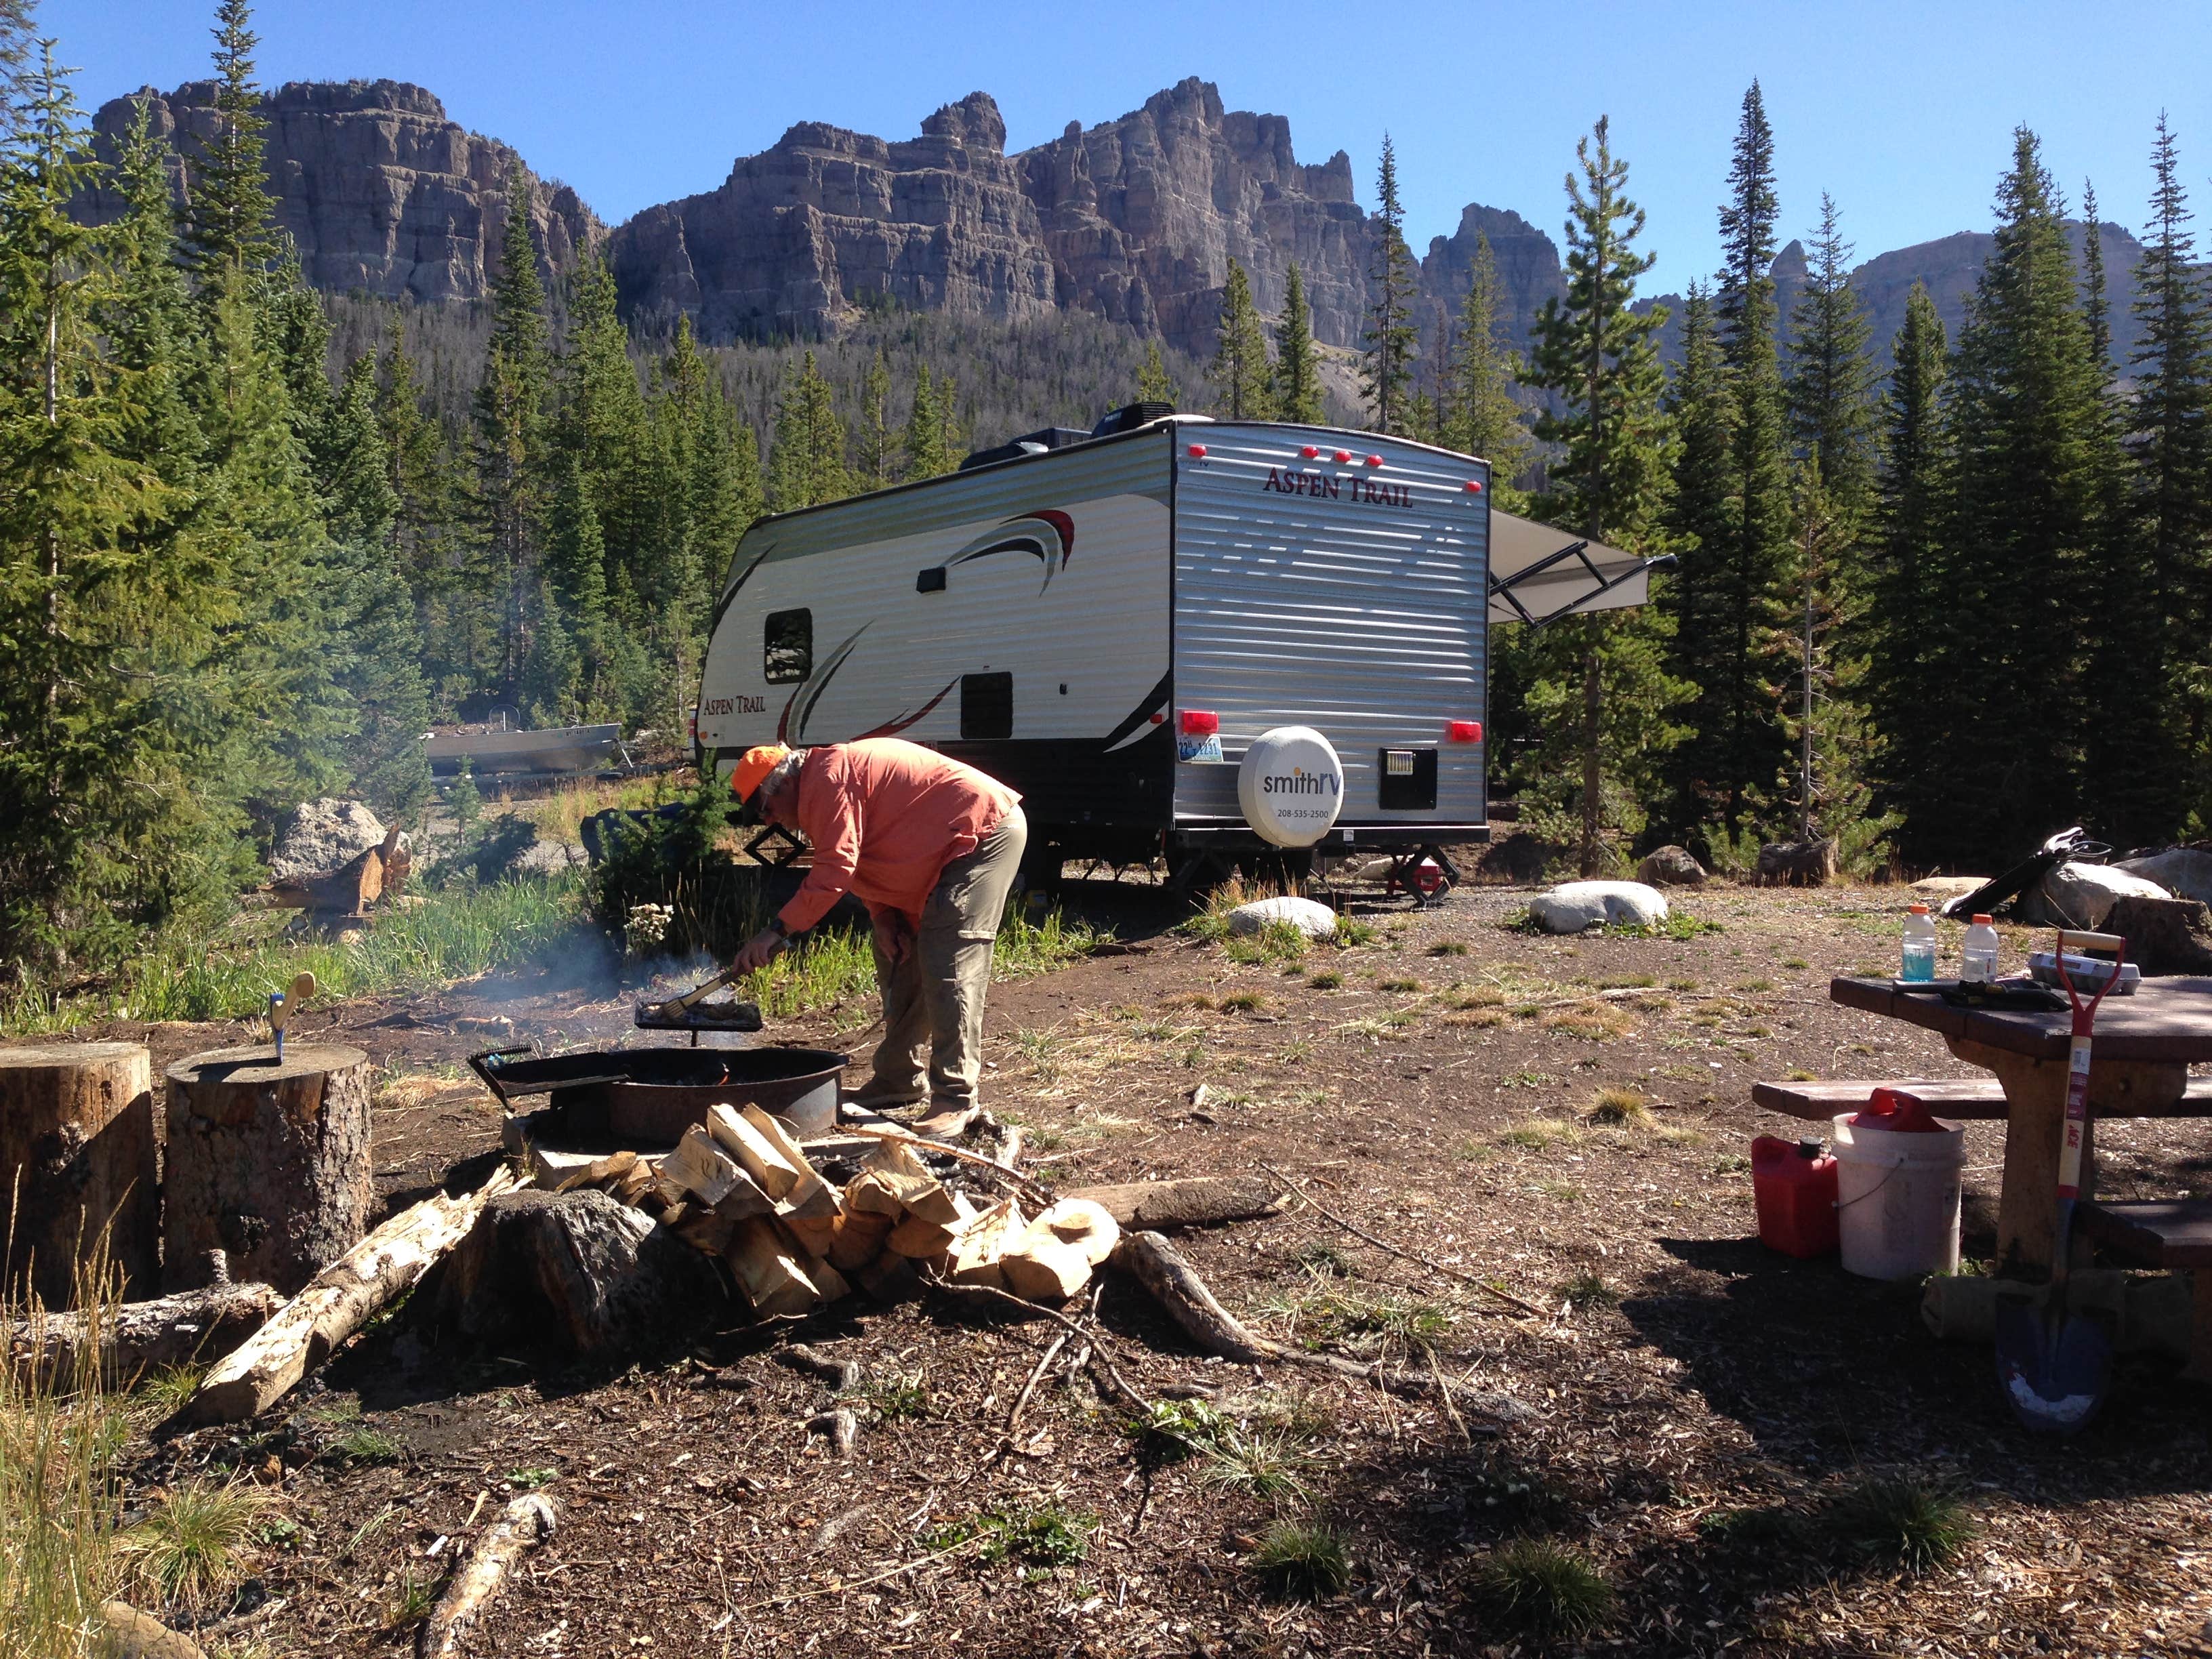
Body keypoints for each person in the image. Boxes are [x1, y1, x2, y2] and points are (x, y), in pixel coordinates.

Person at [727, 739, 1028, 1132]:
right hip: (938, 851)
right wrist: (884, 915)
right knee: (898, 954)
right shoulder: (821, 784)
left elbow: (836, 869)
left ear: (782, 783)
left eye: (765, 808)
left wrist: (775, 932)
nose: (769, 821)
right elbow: (866, 852)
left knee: (949, 959)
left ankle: (956, 1097)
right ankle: (898, 1079)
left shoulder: (829, 780)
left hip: (982, 833)